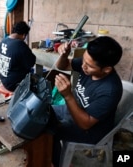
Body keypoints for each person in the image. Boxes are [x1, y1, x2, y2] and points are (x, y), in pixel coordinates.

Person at [50, 36, 123, 166]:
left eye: (89, 66)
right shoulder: (87, 64)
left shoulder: (110, 90)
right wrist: (64, 55)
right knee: (44, 112)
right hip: (74, 111)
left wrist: (68, 96)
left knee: (50, 130)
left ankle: (57, 163)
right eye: (83, 60)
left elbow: (85, 124)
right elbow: (63, 65)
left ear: (106, 69)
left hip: (91, 130)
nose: (83, 67)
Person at [0, 21, 36, 92]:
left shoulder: (3, 41)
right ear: (24, 35)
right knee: (37, 82)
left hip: (3, 78)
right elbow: (31, 63)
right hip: (14, 84)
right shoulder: (20, 44)